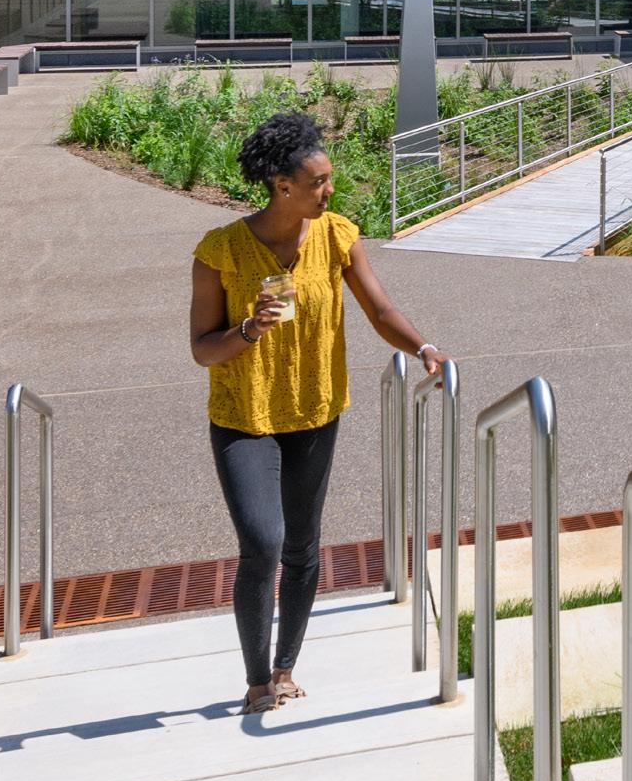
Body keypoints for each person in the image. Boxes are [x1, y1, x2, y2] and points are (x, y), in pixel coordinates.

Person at [187, 108, 445, 714]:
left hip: (314, 410)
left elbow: (380, 310)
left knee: (302, 546)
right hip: (244, 416)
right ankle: (255, 681)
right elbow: (202, 349)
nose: (330, 189)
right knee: (264, 541)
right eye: (319, 181)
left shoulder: (336, 237)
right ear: (283, 186)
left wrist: (424, 348)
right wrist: (249, 329)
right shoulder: (220, 251)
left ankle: (284, 671)